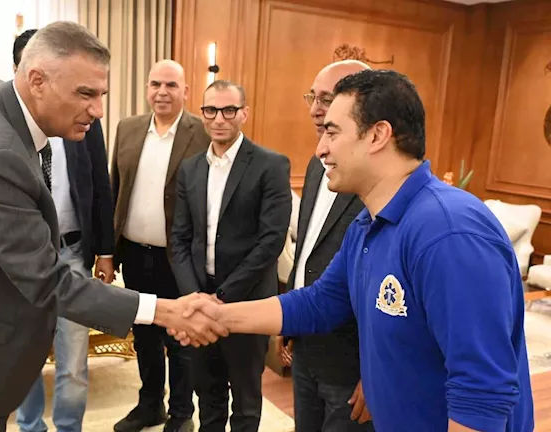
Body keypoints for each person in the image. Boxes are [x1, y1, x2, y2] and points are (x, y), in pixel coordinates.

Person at [0, 22, 225, 432]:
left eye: (101, 94)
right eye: (85, 94)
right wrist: (165, 310)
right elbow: (47, 280)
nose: (98, 110)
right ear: (37, 80)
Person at [174, 69, 535, 432]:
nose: (321, 149)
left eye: (332, 133)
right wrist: (218, 316)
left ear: (377, 135)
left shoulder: (449, 231)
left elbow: (481, 392)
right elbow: (319, 303)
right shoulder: (367, 223)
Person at [10, 29, 115, 432]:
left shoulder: (83, 120)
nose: (95, 107)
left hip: (72, 253)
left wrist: (105, 250)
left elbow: (100, 185)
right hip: (23, 261)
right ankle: (30, 427)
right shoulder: (6, 128)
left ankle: (70, 427)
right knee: (25, 357)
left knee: (73, 361)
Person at [171, 79, 291, 431]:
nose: (219, 118)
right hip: (199, 301)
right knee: (207, 394)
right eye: (211, 110)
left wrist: (221, 298)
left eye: (229, 110)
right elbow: (179, 238)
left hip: (248, 300)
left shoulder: (270, 165)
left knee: (246, 399)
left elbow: (270, 242)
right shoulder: (191, 168)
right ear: (202, 114)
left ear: (244, 113)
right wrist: (195, 297)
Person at [109, 59, 210, 432]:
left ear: (186, 91)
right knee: (145, 335)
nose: (162, 92)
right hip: (135, 254)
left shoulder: (201, 133)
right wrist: (108, 251)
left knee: (180, 337)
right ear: (147, 88)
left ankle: (182, 413)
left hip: (179, 259)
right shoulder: (128, 128)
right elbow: (115, 189)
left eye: (171, 85)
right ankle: (150, 405)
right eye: (156, 84)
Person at [278, 60, 373, 432]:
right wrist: (289, 318)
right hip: (307, 342)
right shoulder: (317, 164)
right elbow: (307, 251)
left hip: (351, 358)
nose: (316, 109)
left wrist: (374, 372)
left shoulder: (376, 178)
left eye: (328, 99)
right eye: (312, 98)